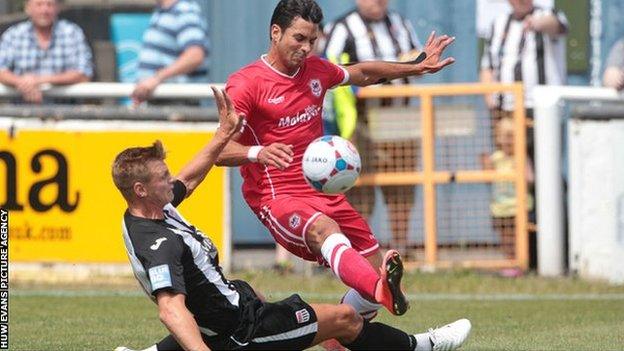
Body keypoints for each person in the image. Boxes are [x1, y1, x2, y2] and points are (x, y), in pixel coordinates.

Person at [112, 87, 472, 351]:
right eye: (162, 177)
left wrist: (223, 136)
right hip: (242, 328)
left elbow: (189, 178)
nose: (170, 179)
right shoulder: (157, 243)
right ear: (141, 190)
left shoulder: (152, 209)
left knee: (249, 289)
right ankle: (421, 346)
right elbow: (172, 310)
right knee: (344, 320)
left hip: (232, 306)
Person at [216, 0, 455, 320]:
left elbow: (363, 72)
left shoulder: (316, 70)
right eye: (298, 38)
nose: (306, 48)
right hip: (277, 196)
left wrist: (416, 66)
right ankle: (380, 288)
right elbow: (218, 150)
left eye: (312, 41)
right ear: (276, 32)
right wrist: (258, 153)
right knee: (329, 233)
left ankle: (340, 334)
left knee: (373, 263)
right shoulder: (246, 83)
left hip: (323, 194)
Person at [323, 0, 424, 259]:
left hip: (399, 118)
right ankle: (360, 252)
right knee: (358, 189)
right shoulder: (342, 27)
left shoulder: (400, 24)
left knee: (402, 187)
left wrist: (413, 62)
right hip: (362, 121)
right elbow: (331, 72)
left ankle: (399, 249)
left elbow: (418, 63)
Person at [0, 0, 93, 104]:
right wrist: (21, 83)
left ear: (57, 8)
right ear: (27, 8)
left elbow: (84, 74)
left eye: (49, 4)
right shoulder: (13, 35)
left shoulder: (72, 33)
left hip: (66, 113)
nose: (44, 10)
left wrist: (39, 80)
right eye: (39, 4)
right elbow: (1, 70)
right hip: (21, 113)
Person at [131, 0, 210, 105]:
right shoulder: (161, 12)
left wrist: (156, 78)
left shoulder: (184, 10)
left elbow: (195, 55)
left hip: (178, 103)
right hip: (160, 101)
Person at [480, 117, 534, 258]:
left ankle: (521, 261)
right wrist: (486, 166)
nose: (509, 140)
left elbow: (530, 180)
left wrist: (521, 173)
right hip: (500, 208)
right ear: (498, 138)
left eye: (513, 136)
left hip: (519, 207)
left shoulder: (521, 157)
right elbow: (488, 180)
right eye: (506, 136)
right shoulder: (496, 158)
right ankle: (509, 261)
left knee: (520, 238)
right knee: (505, 238)